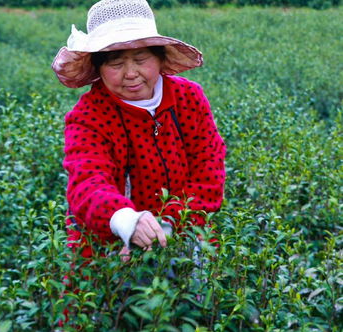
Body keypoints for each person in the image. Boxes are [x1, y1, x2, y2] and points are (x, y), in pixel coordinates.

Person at [52, 0, 226, 261]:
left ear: (160, 58)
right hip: (111, 248)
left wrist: (166, 226)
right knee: (105, 300)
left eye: (141, 59)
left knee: (198, 296)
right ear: (98, 68)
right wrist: (126, 222)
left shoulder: (188, 98)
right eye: (115, 63)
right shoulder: (87, 116)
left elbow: (209, 172)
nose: (131, 73)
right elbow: (87, 182)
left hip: (187, 236)